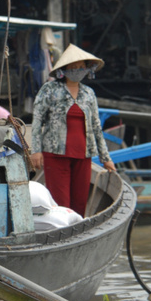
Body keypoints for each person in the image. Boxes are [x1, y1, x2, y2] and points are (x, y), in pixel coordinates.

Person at [29, 44, 115, 217]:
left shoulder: (88, 93)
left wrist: (106, 158)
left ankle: (78, 235)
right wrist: (36, 151)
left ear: (87, 69)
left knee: (80, 202)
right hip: (55, 154)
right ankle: (60, 233)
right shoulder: (50, 89)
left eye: (81, 67)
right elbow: (37, 120)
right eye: (73, 67)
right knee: (61, 202)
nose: (77, 70)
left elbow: (97, 127)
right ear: (64, 69)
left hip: (83, 155)